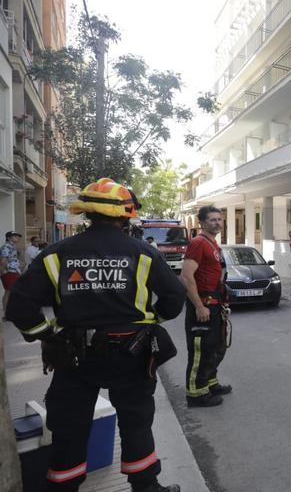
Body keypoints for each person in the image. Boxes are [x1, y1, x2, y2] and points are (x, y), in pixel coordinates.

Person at [6, 178, 184, 492]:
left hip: (73, 356)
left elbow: (20, 305)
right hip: (132, 354)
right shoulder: (142, 253)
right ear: (126, 214)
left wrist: (47, 335)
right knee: (136, 422)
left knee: (69, 427)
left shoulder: (57, 253)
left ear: (88, 212)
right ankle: (146, 486)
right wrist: (153, 318)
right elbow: (174, 298)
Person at [180, 205, 231, 407]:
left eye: (219, 219)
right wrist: (200, 306)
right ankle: (196, 395)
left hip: (216, 304)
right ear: (202, 223)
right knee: (201, 350)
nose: (217, 222)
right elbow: (186, 276)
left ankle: (210, 383)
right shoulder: (199, 243)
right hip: (203, 305)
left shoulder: (213, 245)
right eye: (212, 219)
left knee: (216, 348)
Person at [1, 230, 23, 311]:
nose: (17, 237)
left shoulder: (13, 247)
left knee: (13, 292)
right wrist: (2, 272)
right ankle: (6, 314)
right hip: (9, 272)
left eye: (18, 236)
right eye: (15, 236)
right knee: (8, 292)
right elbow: (3, 261)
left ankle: (12, 311)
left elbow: (18, 260)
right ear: (8, 237)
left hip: (15, 271)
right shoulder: (6, 247)